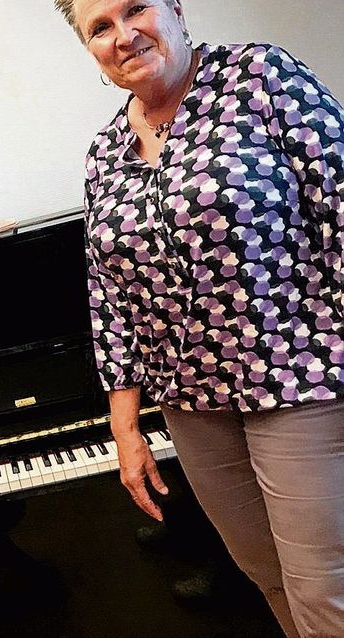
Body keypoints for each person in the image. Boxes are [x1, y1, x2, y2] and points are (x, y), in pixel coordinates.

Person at [53, 1, 344, 636]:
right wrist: (126, 429)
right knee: (263, 576)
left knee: (325, 589)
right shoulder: (105, 152)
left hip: (297, 380)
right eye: (100, 27)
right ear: (88, 47)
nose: (124, 35)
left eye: (137, 9)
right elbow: (111, 292)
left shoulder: (262, 78)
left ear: (175, 9)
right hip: (191, 404)